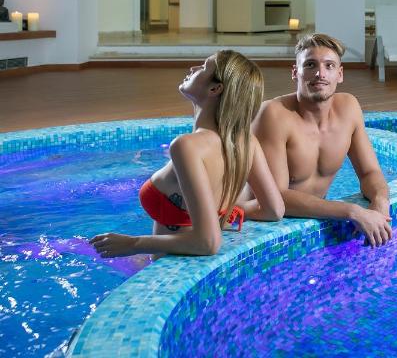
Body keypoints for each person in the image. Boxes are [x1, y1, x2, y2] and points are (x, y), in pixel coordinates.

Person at [90, 50, 284, 257]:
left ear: (215, 88)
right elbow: (273, 210)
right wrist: (225, 212)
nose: (193, 68)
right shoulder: (246, 143)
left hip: (167, 266)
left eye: (203, 67)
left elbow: (208, 243)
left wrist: (133, 244)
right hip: (176, 263)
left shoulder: (187, 146)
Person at [252, 33, 392, 247]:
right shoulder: (273, 115)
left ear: (340, 74)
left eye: (329, 66)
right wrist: (352, 211)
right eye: (310, 65)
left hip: (314, 221)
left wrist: (380, 200)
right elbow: (276, 197)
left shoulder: (349, 109)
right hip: (265, 227)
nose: (320, 74)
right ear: (295, 72)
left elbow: (369, 172)